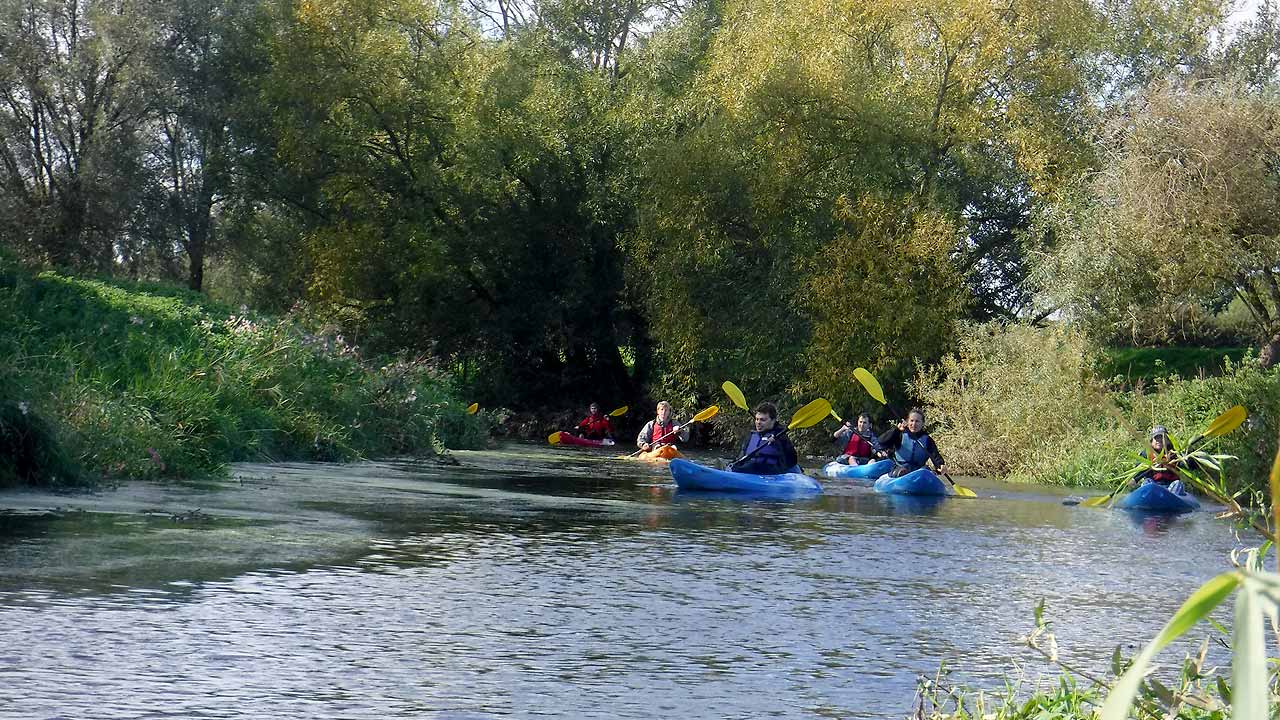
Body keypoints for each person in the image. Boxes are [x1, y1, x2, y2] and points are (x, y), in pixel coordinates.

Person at [731, 402, 799, 474]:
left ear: (773, 420)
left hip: (772, 473)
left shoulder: (780, 436)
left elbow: (792, 460)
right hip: (749, 471)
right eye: (757, 419)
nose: (758, 423)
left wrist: (778, 441)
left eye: (762, 420)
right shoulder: (752, 435)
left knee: (753, 466)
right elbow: (741, 456)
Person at [878, 407, 947, 478]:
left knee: (926, 470)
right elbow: (881, 441)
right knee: (903, 470)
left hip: (919, 470)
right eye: (911, 421)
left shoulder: (928, 440)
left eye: (917, 421)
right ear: (907, 422)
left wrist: (940, 465)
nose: (914, 424)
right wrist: (897, 430)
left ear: (923, 423)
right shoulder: (899, 435)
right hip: (900, 468)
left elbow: (935, 456)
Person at [1132, 425, 1193, 494]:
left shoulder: (1174, 453)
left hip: (1171, 486)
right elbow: (1139, 470)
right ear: (1152, 441)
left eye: (1162, 438)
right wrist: (1135, 479)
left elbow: (1190, 465)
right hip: (1153, 485)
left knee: (1178, 484)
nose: (1159, 441)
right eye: (1156, 438)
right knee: (1147, 482)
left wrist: (1189, 455)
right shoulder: (1146, 454)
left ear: (1167, 440)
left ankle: (1171, 501)